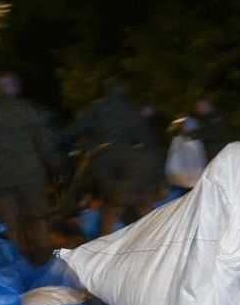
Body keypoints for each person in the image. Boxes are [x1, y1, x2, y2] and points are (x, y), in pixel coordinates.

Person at [0, 72, 65, 264]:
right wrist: (58, 169)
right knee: (38, 222)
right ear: (15, 87)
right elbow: (45, 144)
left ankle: (14, 269)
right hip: (31, 178)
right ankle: (45, 266)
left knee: (7, 225)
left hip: (0, 180)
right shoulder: (29, 111)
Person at [63, 80, 165, 236]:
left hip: (101, 158)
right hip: (127, 161)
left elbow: (74, 130)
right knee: (123, 199)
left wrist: (65, 144)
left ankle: (73, 219)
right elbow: (148, 140)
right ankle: (146, 235)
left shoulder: (97, 107)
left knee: (86, 191)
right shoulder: (131, 111)